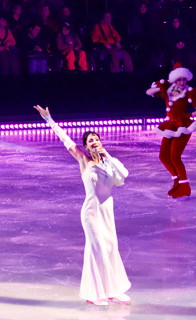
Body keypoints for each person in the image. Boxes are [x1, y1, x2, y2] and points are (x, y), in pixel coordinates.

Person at [33, 104, 131, 307]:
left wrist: (108, 156)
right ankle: (93, 294)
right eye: (90, 141)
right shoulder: (85, 161)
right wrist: (49, 120)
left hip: (107, 211)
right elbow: (67, 141)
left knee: (111, 248)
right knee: (97, 249)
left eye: (96, 139)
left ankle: (113, 291)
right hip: (91, 212)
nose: (94, 142)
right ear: (86, 146)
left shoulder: (109, 162)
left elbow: (123, 176)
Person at [145, 65, 196, 198]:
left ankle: (185, 186)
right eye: (179, 79)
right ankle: (177, 182)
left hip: (182, 126)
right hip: (169, 125)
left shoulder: (190, 92)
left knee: (175, 156)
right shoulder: (168, 90)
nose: (182, 82)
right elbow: (149, 92)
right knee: (163, 156)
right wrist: (164, 86)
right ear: (174, 80)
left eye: (184, 79)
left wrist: (190, 115)